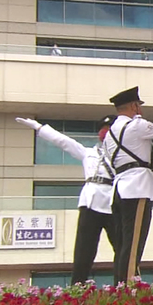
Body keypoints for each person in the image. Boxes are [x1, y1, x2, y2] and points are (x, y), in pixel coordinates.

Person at [15, 115, 118, 284]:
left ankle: (126, 285)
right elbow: (63, 141)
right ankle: (78, 287)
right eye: (104, 131)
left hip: (113, 203)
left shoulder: (124, 156)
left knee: (122, 249)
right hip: (91, 203)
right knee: (84, 249)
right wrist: (39, 127)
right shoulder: (89, 153)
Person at [104, 86, 153, 284]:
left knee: (123, 244)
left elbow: (121, 162)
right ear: (134, 106)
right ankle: (128, 286)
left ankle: (121, 283)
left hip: (119, 190)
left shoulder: (110, 133)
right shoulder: (136, 126)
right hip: (137, 188)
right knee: (134, 242)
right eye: (138, 105)